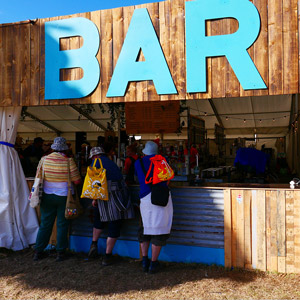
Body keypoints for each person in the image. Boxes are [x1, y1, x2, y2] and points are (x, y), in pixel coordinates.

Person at [33, 137, 81, 262]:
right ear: (65, 148)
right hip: (64, 197)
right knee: (62, 224)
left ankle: (38, 251)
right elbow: (77, 180)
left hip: (47, 197)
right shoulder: (68, 161)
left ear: (53, 147)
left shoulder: (44, 160)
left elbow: (38, 176)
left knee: (45, 224)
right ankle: (60, 253)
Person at [87, 146, 134, 265]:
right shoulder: (111, 162)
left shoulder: (95, 162)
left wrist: (95, 198)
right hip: (117, 195)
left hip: (103, 195)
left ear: (94, 156)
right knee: (114, 222)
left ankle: (94, 244)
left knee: (98, 219)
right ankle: (107, 256)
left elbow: (95, 183)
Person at [134, 141, 173, 274]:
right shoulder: (163, 160)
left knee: (144, 229)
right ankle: (153, 264)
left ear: (144, 152)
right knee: (159, 230)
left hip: (145, 199)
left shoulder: (137, 163)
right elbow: (168, 178)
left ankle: (144, 260)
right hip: (160, 197)